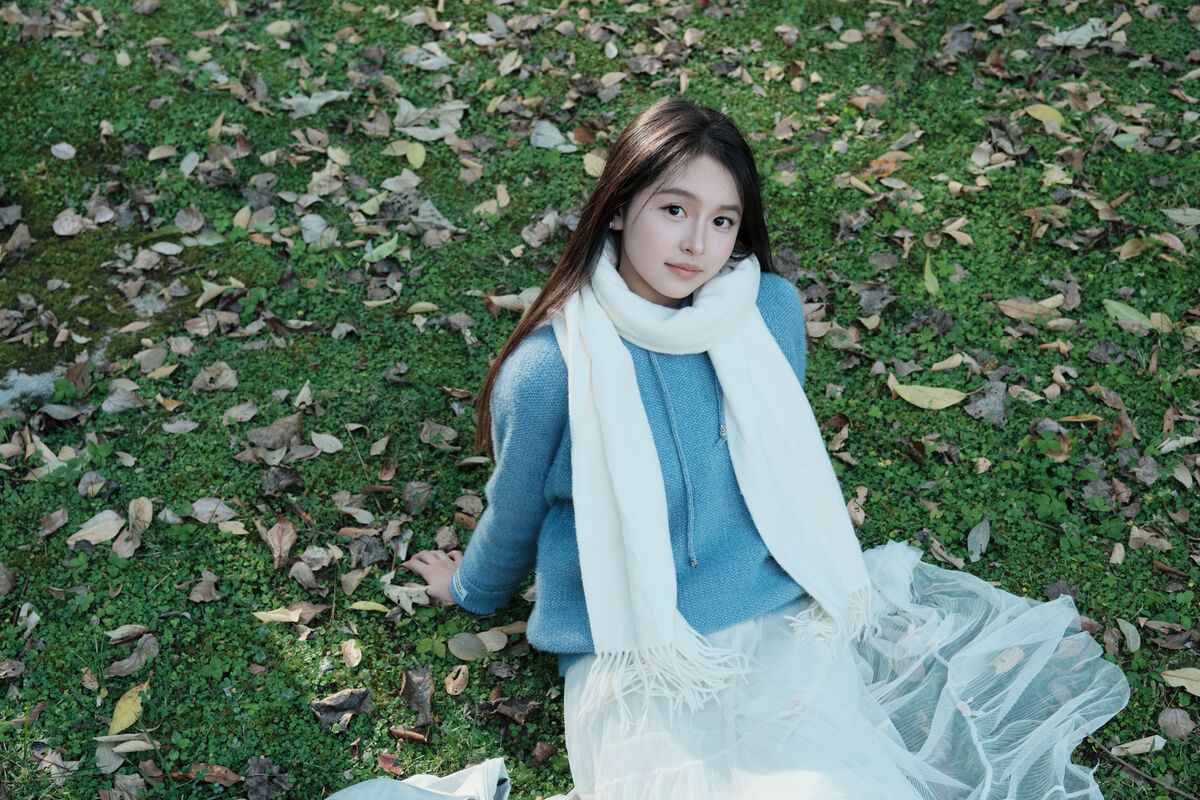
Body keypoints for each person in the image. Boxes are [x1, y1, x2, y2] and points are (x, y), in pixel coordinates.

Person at [403, 97, 1129, 800]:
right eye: (674, 209)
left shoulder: (766, 312)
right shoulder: (548, 370)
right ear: (618, 208)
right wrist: (471, 588)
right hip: (639, 643)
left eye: (723, 220)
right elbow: (517, 508)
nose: (697, 244)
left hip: (777, 602)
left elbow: (775, 462)